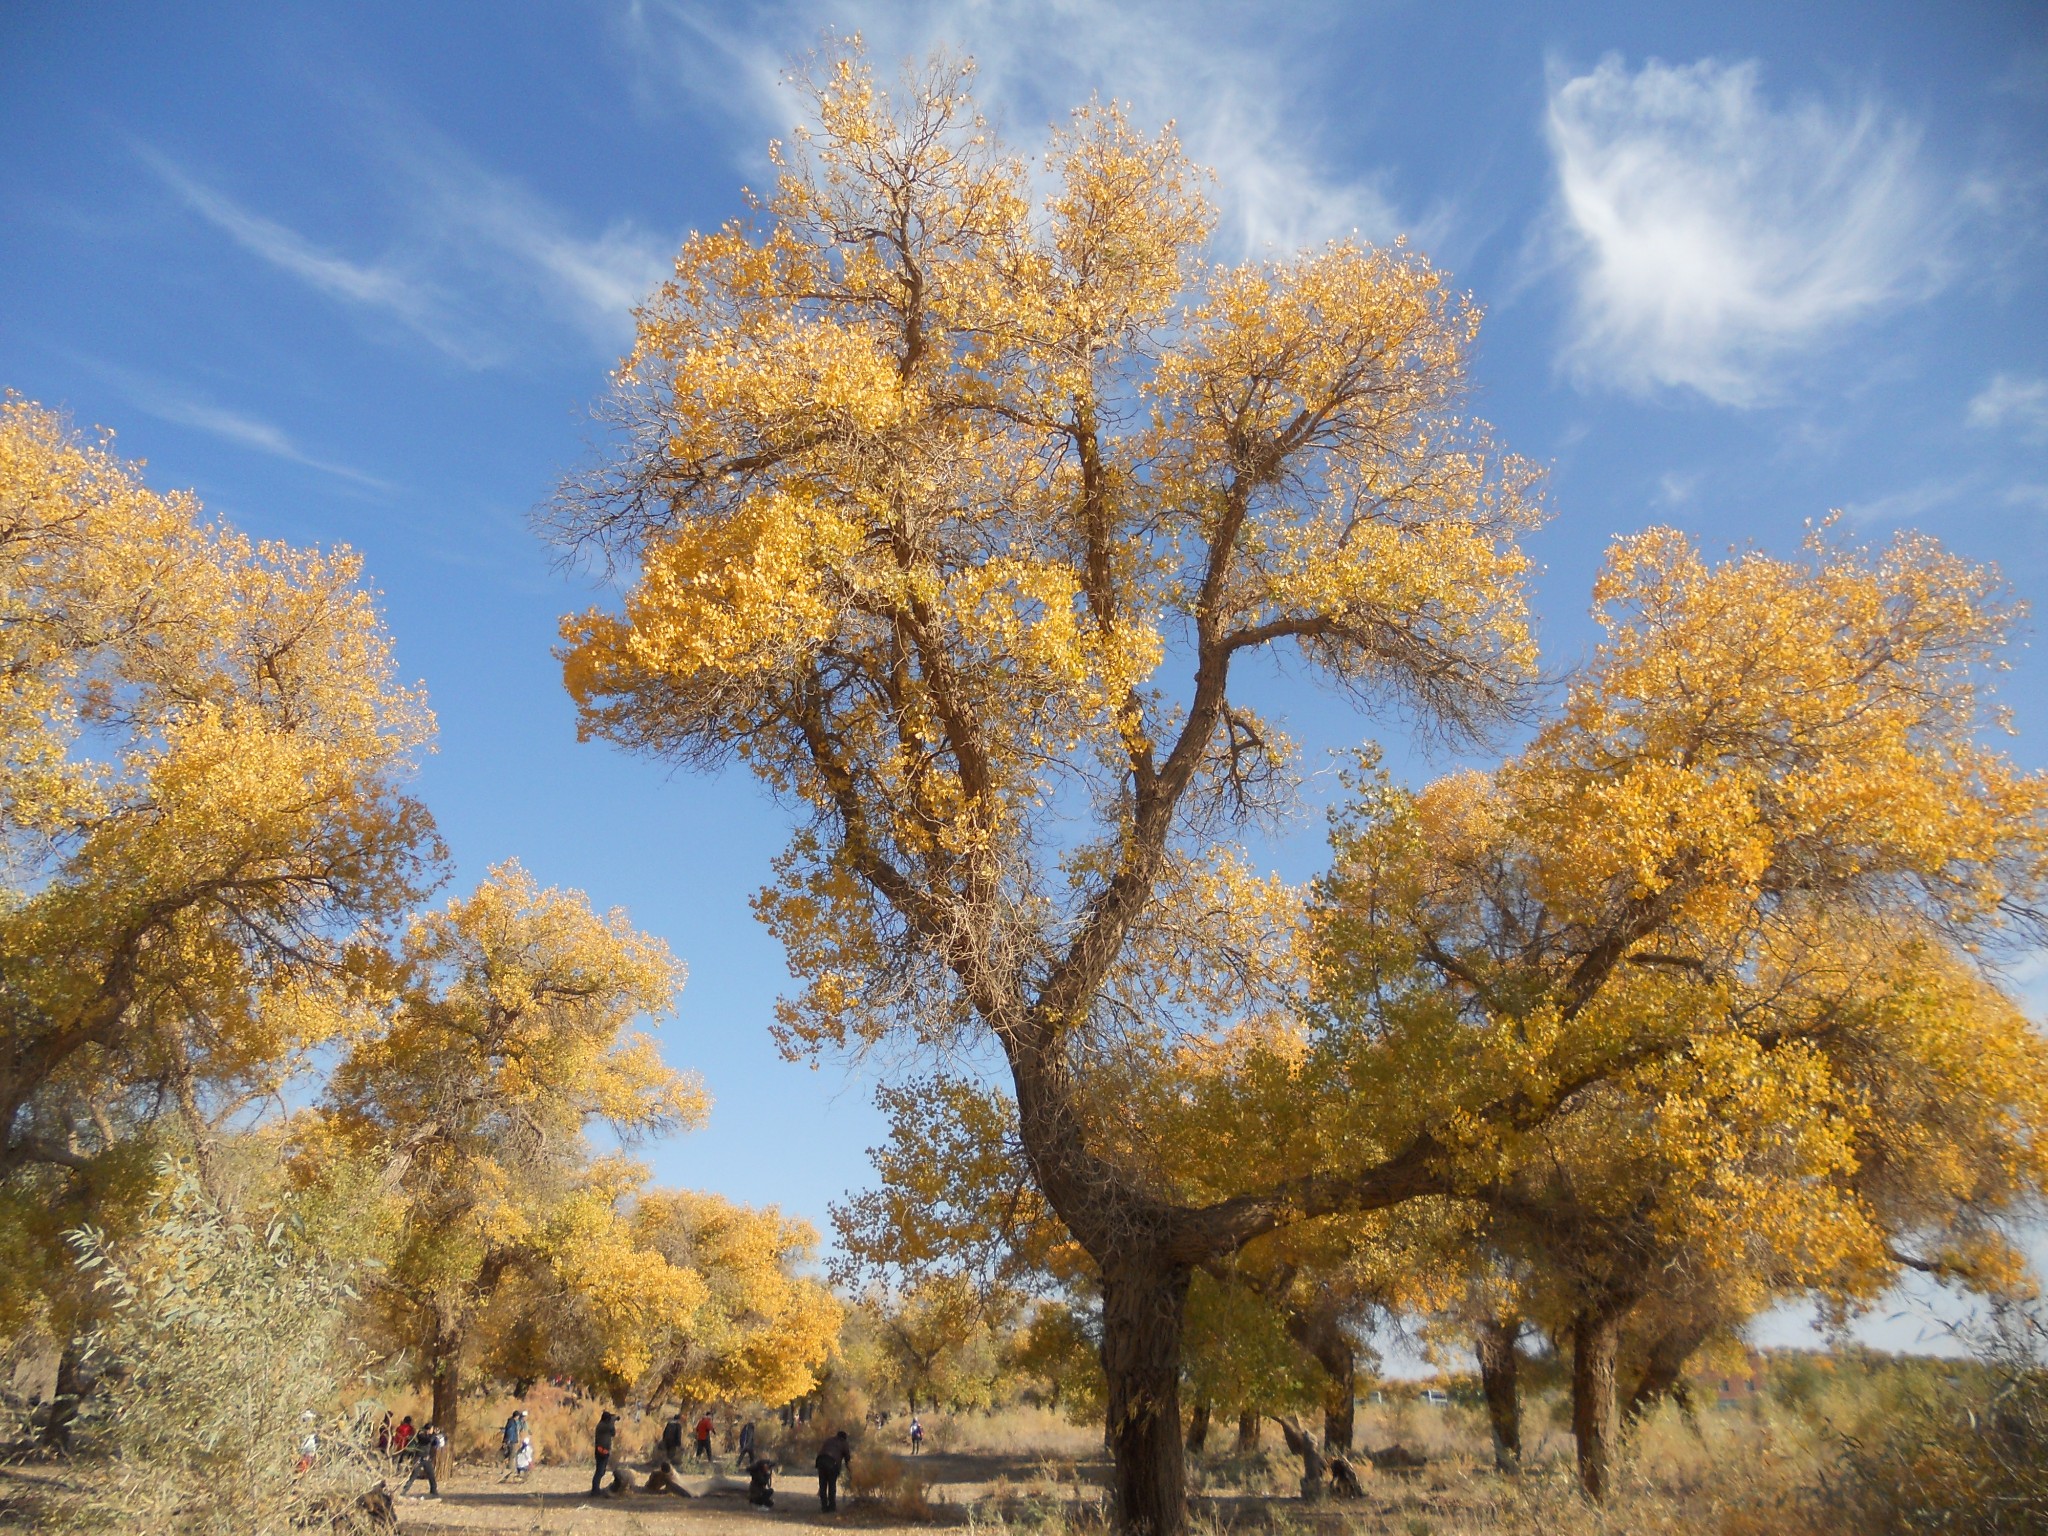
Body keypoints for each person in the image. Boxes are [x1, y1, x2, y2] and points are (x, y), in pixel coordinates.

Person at [400, 1423, 442, 1499]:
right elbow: (428, 1440)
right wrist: (434, 1434)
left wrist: (439, 1436)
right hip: (418, 1458)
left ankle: (434, 1491)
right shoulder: (421, 1435)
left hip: (426, 1459)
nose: (433, 1431)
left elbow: (434, 1443)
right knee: (413, 1475)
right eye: (432, 1429)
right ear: (428, 1429)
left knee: (431, 1475)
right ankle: (404, 1491)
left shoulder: (430, 1436)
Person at [815, 1428, 851, 1512]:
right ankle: (832, 1507)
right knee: (831, 1485)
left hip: (820, 1461)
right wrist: (850, 1471)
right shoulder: (844, 1443)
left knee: (823, 1485)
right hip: (832, 1463)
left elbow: (822, 1450)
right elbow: (847, 1459)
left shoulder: (829, 1440)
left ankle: (824, 1507)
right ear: (844, 1438)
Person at [590, 1408, 618, 1496]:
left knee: (601, 1471)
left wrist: (612, 1420)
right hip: (601, 1451)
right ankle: (595, 1490)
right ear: (607, 1419)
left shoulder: (602, 1425)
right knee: (599, 1471)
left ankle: (595, 1489)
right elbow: (613, 1433)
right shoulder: (603, 1426)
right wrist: (613, 1421)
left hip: (602, 1450)